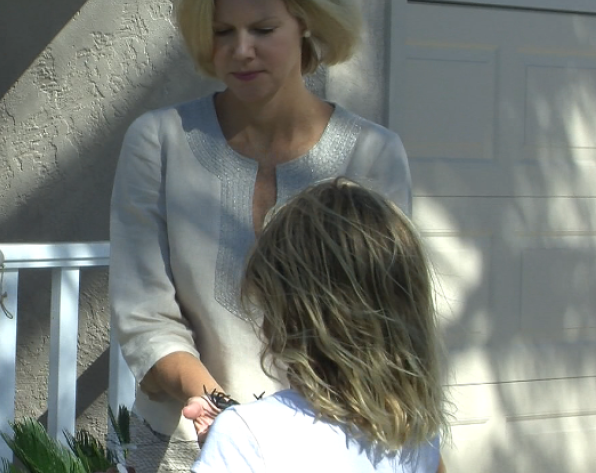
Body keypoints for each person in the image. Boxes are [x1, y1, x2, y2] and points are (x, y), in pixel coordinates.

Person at [108, 0, 413, 471]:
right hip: (182, 444)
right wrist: (222, 414)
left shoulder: (373, 154)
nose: (240, 49)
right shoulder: (157, 141)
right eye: (222, 31)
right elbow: (143, 317)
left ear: (307, 22)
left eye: (263, 29)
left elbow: (379, 328)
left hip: (328, 447)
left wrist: (272, 435)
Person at [190, 178, 448, 472]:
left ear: (287, 319)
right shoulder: (414, 431)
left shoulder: (245, 433)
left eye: (267, 307)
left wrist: (233, 444)